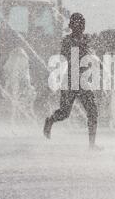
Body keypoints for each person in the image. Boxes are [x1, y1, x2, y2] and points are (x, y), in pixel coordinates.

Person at [43, 13, 101, 150]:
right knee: (64, 113)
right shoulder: (67, 41)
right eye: (77, 24)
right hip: (70, 80)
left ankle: (92, 145)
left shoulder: (86, 39)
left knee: (92, 112)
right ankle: (50, 120)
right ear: (72, 26)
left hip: (83, 81)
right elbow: (64, 56)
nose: (80, 27)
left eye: (82, 24)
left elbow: (91, 56)